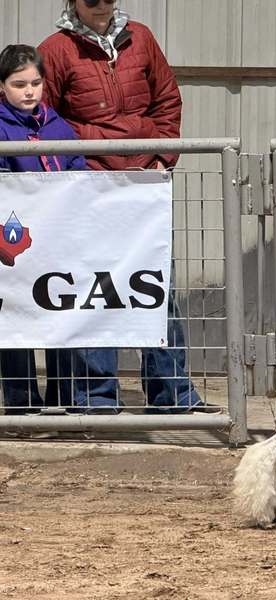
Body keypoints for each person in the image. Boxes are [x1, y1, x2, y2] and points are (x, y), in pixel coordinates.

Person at [37, 0, 205, 413]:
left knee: (156, 286)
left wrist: (163, 155)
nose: (101, 6)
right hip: (89, 185)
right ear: (73, 2)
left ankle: (172, 396)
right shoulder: (56, 50)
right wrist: (77, 162)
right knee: (93, 289)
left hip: (144, 182)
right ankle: (96, 397)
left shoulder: (141, 38)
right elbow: (44, 116)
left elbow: (167, 100)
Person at [0, 44, 86, 415]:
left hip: (57, 239)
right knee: (15, 316)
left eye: (35, 83)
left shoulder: (57, 125)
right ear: (2, 86)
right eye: (19, 84)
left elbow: (78, 170)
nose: (29, 91)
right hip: (13, 243)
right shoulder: (1, 126)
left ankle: (63, 397)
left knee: (60, 312)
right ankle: (21, 403)